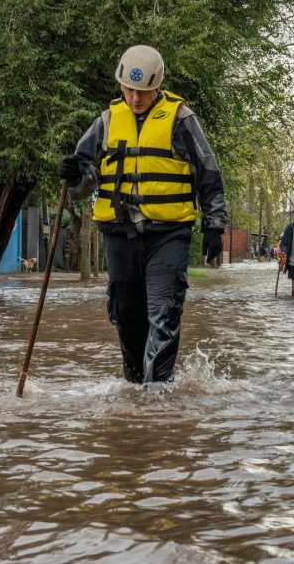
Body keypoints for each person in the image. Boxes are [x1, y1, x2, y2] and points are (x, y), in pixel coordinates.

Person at [58, 45, 226, 384]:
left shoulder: (181, 119)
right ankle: (135, 391)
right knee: (128, 318)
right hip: (119, 234)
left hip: (168, 234)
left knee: (163, 315)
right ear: (121, 85)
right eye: (129, 90)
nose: (135, 98)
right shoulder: (105, 122)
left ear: (157, 87)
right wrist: (75, 175)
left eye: (144, 92)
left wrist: (214, 225)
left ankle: (156, 399)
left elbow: (208, 173)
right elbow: (84, 183)